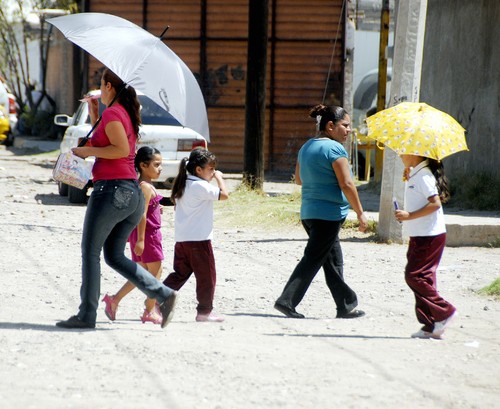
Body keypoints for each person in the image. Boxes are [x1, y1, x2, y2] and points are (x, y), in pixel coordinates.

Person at [56, 68, 177, 330]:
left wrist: (86, 150)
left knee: (90, 252)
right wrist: (94, 113)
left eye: (102, 85)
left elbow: (120, 150)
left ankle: (86, 315)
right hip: (130, 194)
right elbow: (110, 141)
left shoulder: (114, 113)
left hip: (111, 190)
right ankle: (163, 294)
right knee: (113, 255)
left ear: (109, 87)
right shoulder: (121, 113)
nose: (100, 89)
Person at [275, 104, 368, 319]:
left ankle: (345, 305)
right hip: (328, 215)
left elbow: (299, 180)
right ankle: (286, 301)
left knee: (333, 260)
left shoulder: (306, 147)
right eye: (345, 125)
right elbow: (347, 184)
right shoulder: (335, 149)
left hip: (309, 213)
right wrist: (360, 212)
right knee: (313, 259)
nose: (348, 130)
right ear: (330, 126)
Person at [162, 147, 228, 322]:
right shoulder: (200, 185)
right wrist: (220, 178)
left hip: (182, 240)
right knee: (207, 277)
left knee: (179, 274)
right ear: (198, 169)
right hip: (199, 241)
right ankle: (204, 312)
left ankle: (156, 297)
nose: (213, 172)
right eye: (211, 169)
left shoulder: (183, 183)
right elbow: (224, 195)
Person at [394, 155, 457, 339]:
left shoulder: (424, 175)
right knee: (424, 278)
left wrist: (409, 216)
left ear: (416, 154)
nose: (400, 154)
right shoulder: (417, 173)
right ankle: (430, 324)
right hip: (420, 234)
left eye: (404, 151)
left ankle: (445, 311)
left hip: (429, 235)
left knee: (414, 276)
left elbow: (435, 203)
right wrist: (410, 175)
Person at [102, 146, 165, 325]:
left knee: (140, 274)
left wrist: (156, 208)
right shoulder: (145, 187)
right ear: (143, 165)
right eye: (156, 165)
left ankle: (114, 300)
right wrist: (141, 240)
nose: (160, 168)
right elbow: (141, 214)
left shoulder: (143, 185)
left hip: (142, 235)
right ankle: (149, 310)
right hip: (148, 236)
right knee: (155, 273)